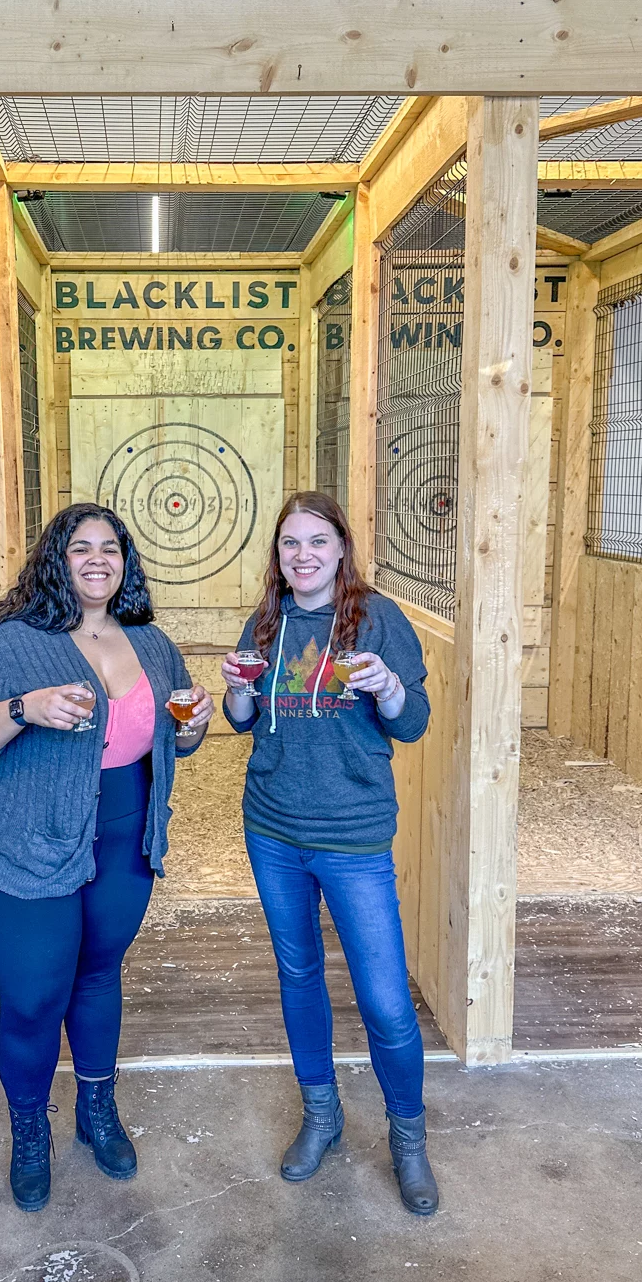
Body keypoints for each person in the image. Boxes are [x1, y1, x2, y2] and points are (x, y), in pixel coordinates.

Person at [0, 503, 213, 1213]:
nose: (98, 559)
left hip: (124, 844)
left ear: (127, 561)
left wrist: (193, 729)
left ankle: (97, 1110)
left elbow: (172, 740)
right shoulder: (14, 643)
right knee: (31, 1001)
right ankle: (30, 1129)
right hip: (23, 848)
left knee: (97, 975)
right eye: (80, 547)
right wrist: (25, 708)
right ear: (55, 560)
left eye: (111, 548)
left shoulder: (151, 644)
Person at [220, 492, 438, 1215]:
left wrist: (392, 688)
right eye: (289, 544)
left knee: (384, 1001)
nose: (302, 555)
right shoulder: (267, 621)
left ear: (342, 547)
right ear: (277, 554)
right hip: (274, 828)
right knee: (299, 976)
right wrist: (235, 691)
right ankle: (323, 1115)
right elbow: (245, 721)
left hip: (353, 835)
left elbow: (413, 725)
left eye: (317, 542)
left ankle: (408, 1141)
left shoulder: (379, 618)